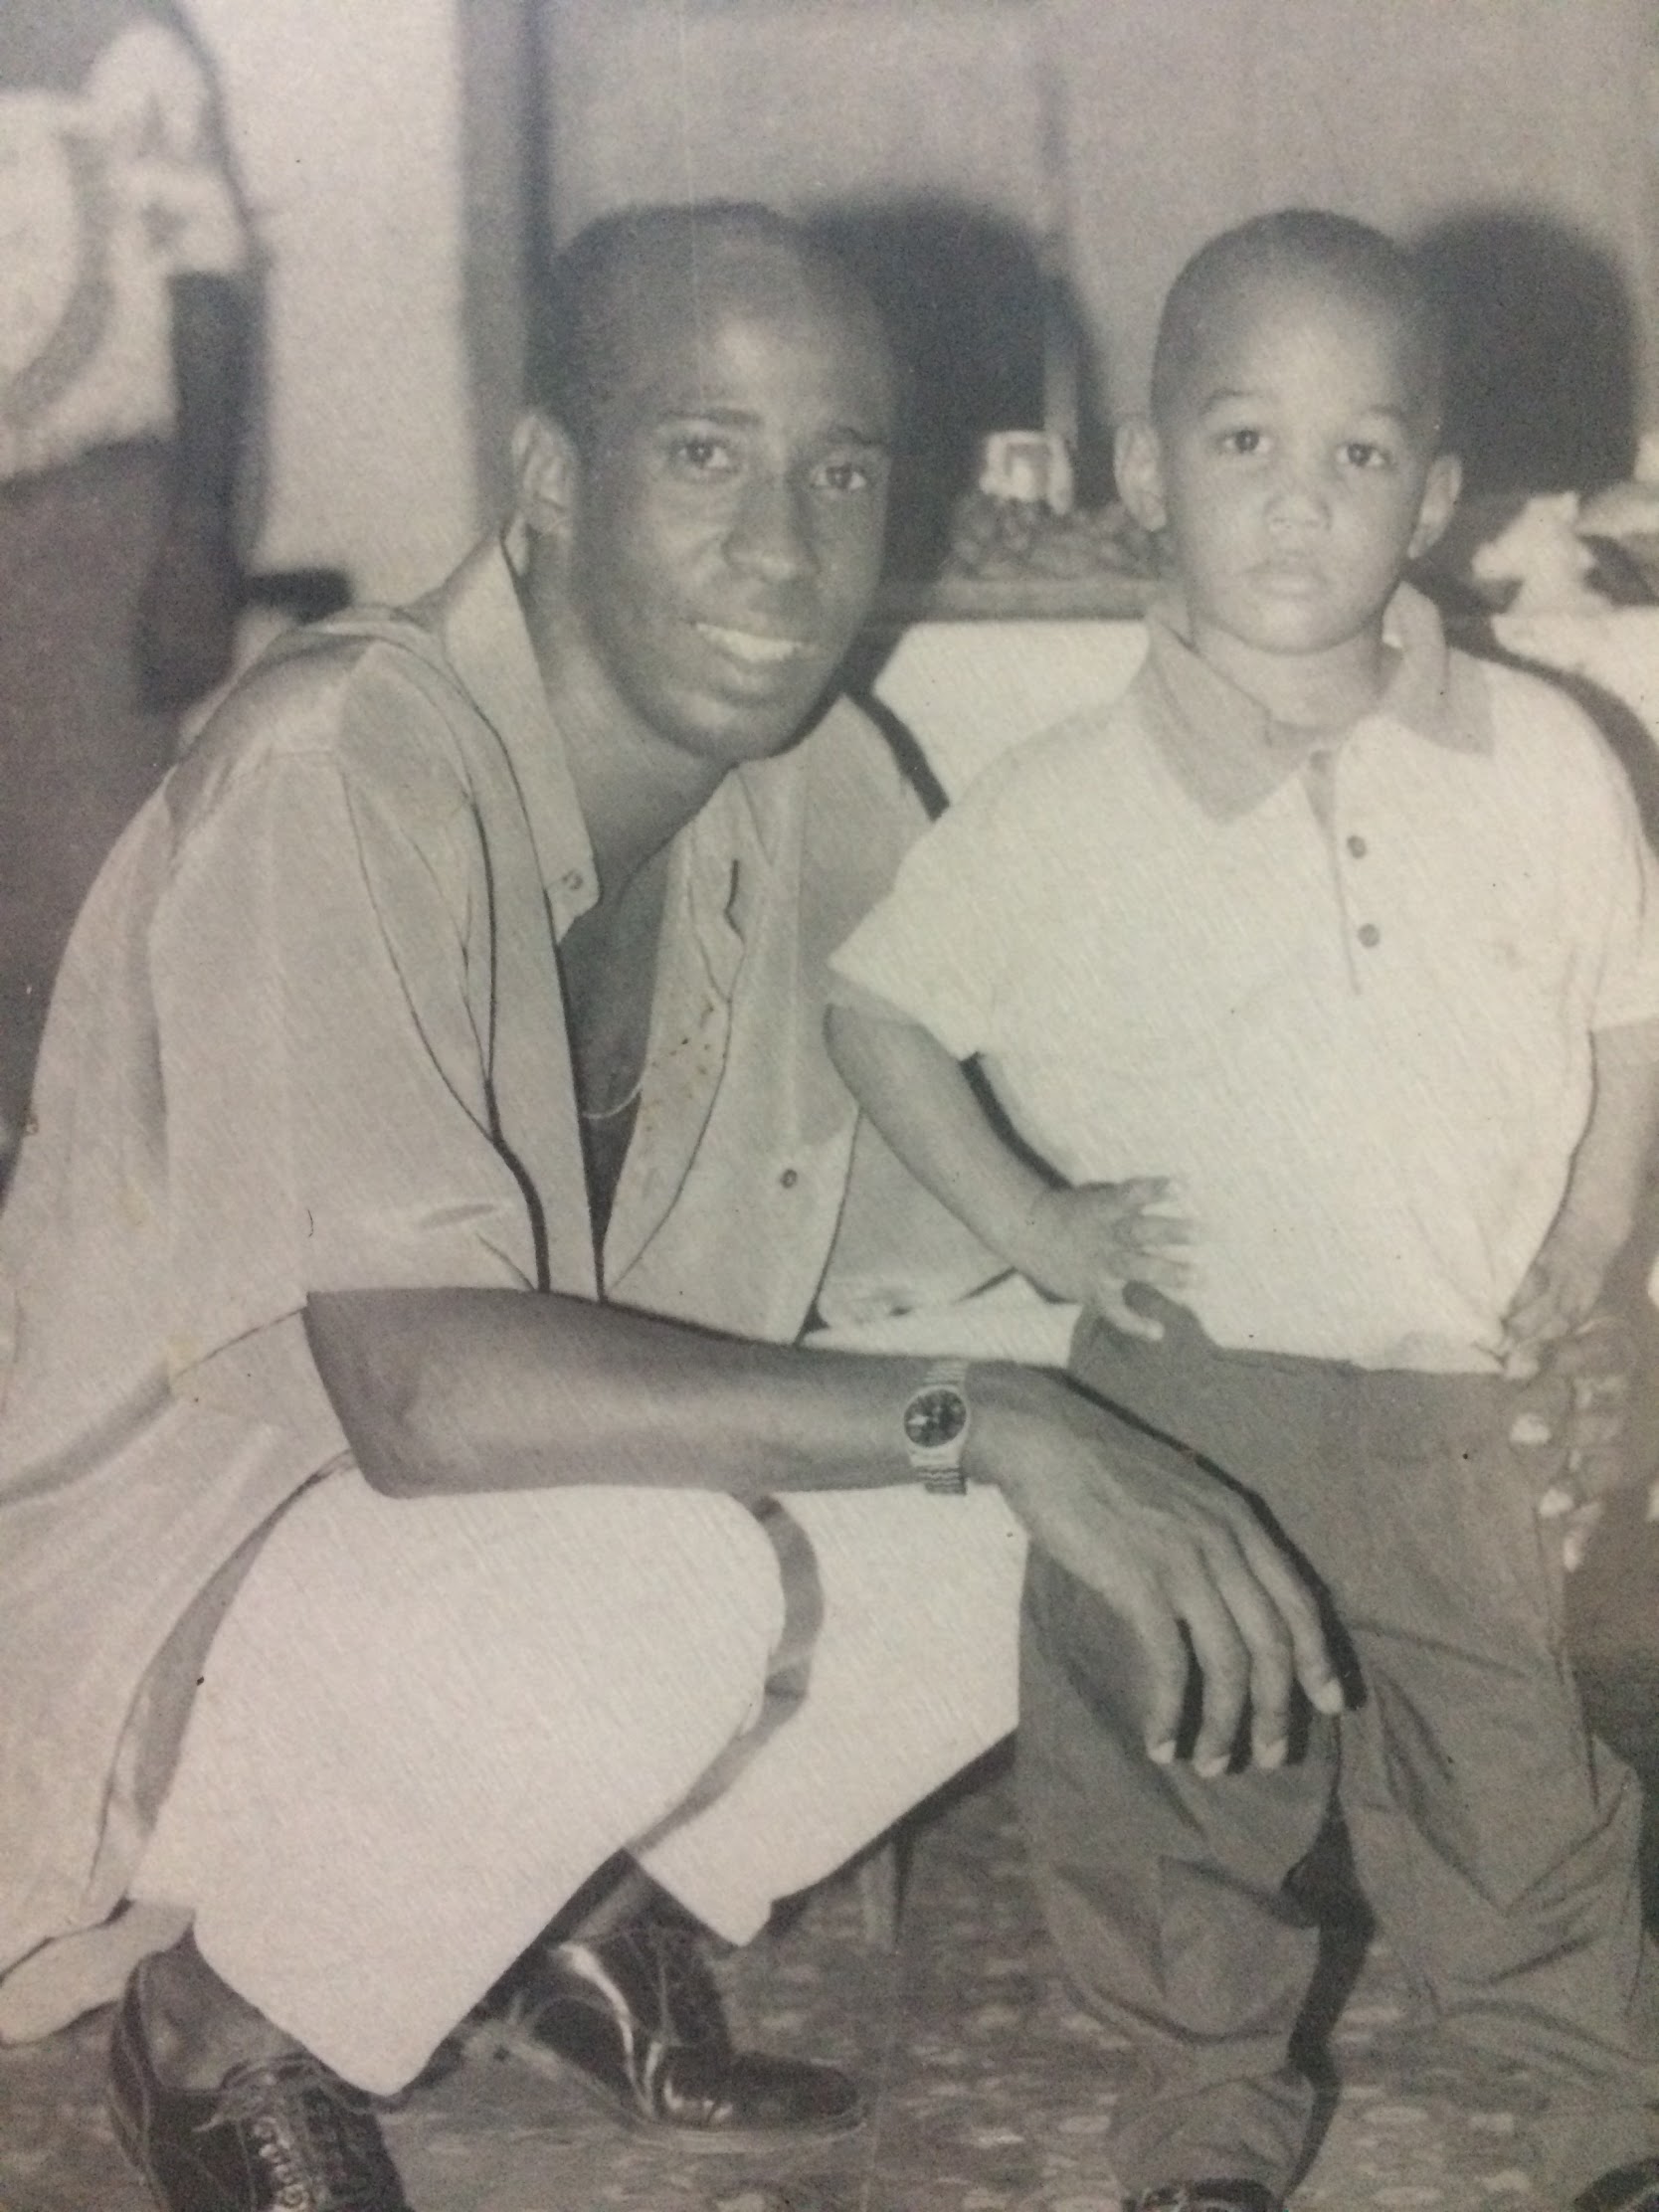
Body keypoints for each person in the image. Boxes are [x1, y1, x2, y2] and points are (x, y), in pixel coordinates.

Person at [0, 202, 1349, 2212]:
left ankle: (559, 1906)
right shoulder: (338, 759)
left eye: (840, 472)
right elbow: (423, 1396)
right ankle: (217, 2023)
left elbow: (999, 1214)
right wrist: (986, 1416)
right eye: (706, 454)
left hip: (454, 1576)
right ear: (551, 481)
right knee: (708, 1563)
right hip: (156, 1632)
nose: (784, 552)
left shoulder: (813, 775)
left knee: (1111, 1417)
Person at [828, 210, 1659, 2212]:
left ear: (1432, 498)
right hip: (1185, 1396)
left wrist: (1588, 1232)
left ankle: (1602, 2110)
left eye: (1358, 453)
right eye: (1243, 442)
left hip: (1445, 1391)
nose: (1300, 500)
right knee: (1171, 1778)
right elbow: (877, 1007)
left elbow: (1629, 1006)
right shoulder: (1066, 795)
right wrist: (1035, 1221)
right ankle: (1202, 2116)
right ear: (1148, 471)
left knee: (1514, 1782)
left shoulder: (1541, 757)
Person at [0, 0, 255, 1174]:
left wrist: (197, 533)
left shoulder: (120, 42)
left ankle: (103, 1219)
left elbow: (208, 288)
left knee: (80, 917)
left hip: (83, 525)